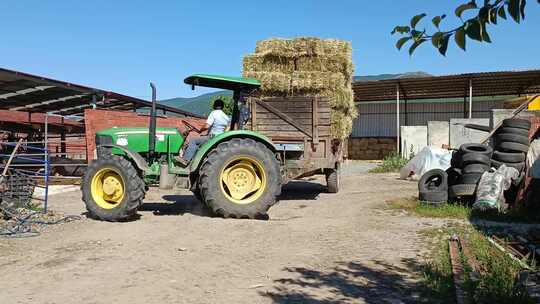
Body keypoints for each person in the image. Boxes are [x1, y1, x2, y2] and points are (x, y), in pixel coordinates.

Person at [176, 99, 230, 166]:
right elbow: (227, 129)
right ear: (222, 107)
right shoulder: (226, 117)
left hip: (212, 138)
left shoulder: (214, 113)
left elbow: (207, 126)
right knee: (201, 139)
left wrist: (201, 129)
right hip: (219, 137)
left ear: (214, 106)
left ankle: (185, 160)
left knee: (194, 141)